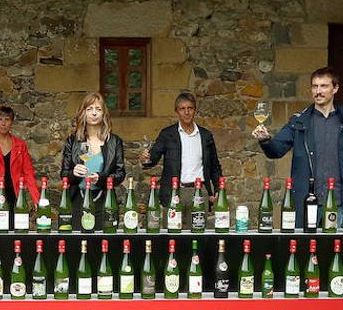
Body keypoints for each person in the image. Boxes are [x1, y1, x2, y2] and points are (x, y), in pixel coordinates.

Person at [252, 67, 343, 228]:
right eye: (314, 86)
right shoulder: (299, 122)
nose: (318, 91)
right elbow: (276, 150)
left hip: (341, 205)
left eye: (324, 86)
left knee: (337, 252)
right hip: (307, 204)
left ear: (335, 88)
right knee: (305, 252)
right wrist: (265, 140)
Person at [140, 91, 223, 210]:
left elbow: (215, 166)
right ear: (177, 111)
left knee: (198, 228)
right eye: (182, 108)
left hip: (200, 192)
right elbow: (152, 158)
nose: (187, 112)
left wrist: (218, 189)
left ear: (195, 110)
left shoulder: (206, 136)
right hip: (173, 192)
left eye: (190, 108)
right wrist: (145, 158)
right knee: (172, 228)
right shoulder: (167, 134)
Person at [59, 92, 125, 222]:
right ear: (83, 113)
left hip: (104, 200)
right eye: (89, 109)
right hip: (78, 199)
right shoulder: (73, 141)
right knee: (78, 241)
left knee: (104, 241)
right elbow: (64, 174)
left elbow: (120, 174)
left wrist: (101, 178)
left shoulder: (114, 141)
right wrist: (74, 173)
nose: (94, 113)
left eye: (98, 109)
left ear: (103, 114)